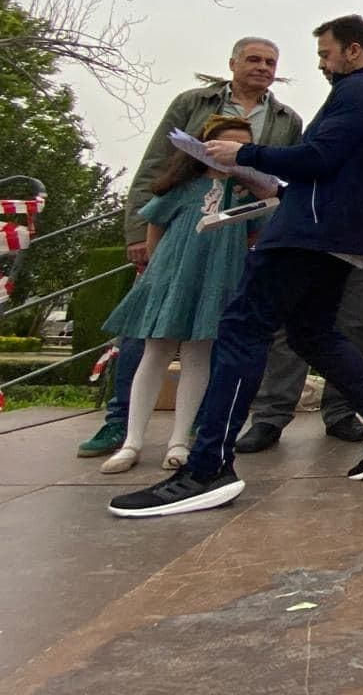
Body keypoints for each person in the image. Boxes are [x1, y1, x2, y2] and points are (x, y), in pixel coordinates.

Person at [109, 16, 363, 518]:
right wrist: (279, 190)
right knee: (311, 334)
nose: (321, 63)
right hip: (332, 232)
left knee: (242, 328)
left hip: (310, 235)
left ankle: (209, 465)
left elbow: (320, 157)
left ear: (352, 50)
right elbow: (339, 169)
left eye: (325, 53)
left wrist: (245, 153)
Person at [79, 37, 301, 459]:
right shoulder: (194, 101)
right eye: (253, 59)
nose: (262, 67)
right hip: (179, 242)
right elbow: (157, 164)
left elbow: (278, 180)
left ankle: (198, 426)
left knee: (213, 337)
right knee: (146, 336)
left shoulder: (285, 119)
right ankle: (119, 424)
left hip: (232, 241)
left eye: (270, 62)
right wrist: (137, 231)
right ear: (232, 62)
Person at [231, 83, 363, 453]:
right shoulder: (333, 124)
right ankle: (270, 415)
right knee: (292, 327)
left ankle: (344, 412)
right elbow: (312, 159)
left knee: (353, 324)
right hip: (320, 229)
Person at [97, 116, 279, 474]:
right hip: (173, 278)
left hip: (218, 282)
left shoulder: (247, 193)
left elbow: (255, 233)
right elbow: (156, 225)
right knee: (155, 352)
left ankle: (179, 440)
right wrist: (157, 271)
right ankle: (133, 440)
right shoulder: (184, 186)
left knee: (199, 357)